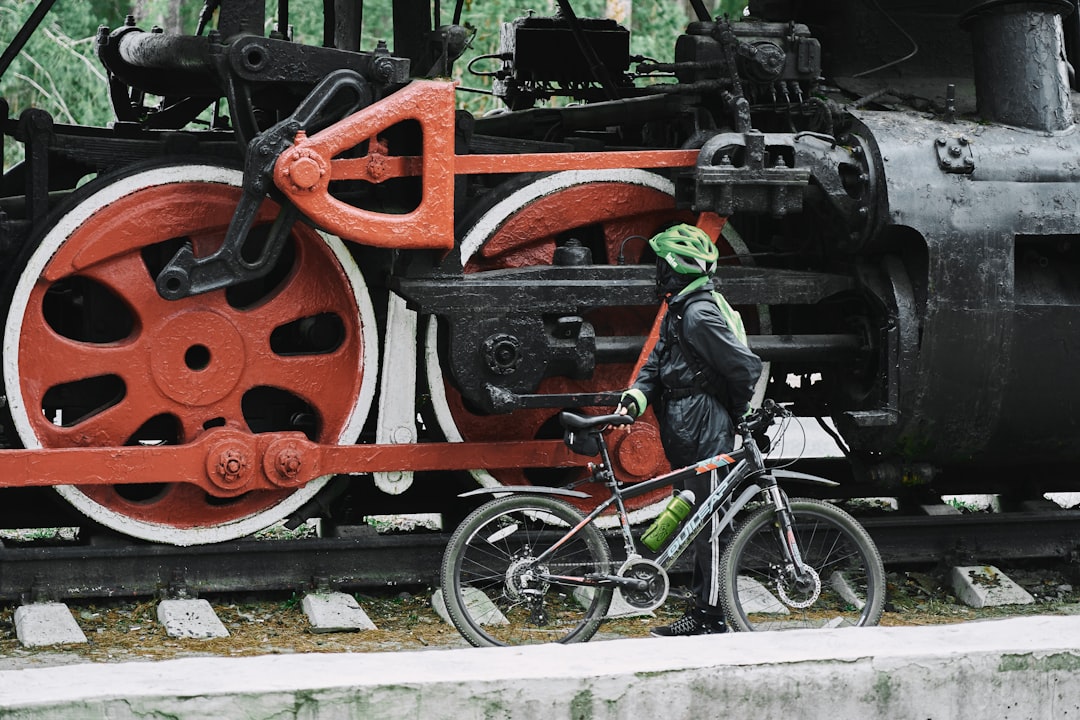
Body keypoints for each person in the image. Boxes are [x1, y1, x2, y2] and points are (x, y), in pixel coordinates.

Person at [617, 223, 763, 636]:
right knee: (695, 513)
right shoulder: (678, 309)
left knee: (711, 522)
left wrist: (738, 414)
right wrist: (637, 396)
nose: (656, 272)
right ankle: (705, 605)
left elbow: (745, 366)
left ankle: (710, 617)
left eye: (661, 264)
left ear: (677, 267)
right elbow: (657, 361)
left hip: (705, 420)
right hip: (684, 418)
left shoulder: (698, 313)